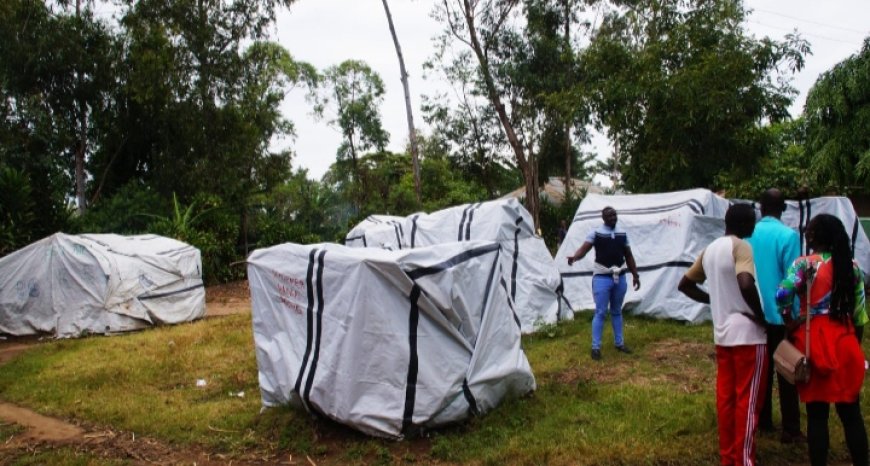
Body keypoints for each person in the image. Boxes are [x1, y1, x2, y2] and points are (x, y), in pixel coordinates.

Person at [678, 203, 767, 466]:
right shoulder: (741, 247)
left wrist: (715, 299)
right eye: (752, 221)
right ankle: (744, 461)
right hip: (749, 336)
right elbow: (745, 282)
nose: (754, 226)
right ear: (742, 223)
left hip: (723, 336)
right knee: (748, 402)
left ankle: (729, 458)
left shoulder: (710, 250)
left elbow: (685, 285)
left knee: (726, 400)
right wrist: (761, 317)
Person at [775, 214, 868, 466]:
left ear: (814, 236)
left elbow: (783, 292)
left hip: (814, 341)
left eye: (809, 229)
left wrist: (789, 319)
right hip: (846, 341)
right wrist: (853, 346)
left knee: (817, 415)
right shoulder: (853, 267)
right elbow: (860, 315)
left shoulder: (804, 265)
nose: (806, 233)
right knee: (851, 413)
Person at [747, 188, 804, 443]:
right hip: (780, 317)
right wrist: (793, 316)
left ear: (760, 207)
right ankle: (791, 429)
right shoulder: (789, 236)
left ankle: (763, 421)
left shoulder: (749, 234)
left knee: (761, 371)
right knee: (787, 371)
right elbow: (792, 280)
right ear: (783, 208)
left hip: (753, 315)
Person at [566, 207, 640, 361]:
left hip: (619, 277)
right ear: (603, 218)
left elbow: (629, 255)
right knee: (600, 312)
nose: (613, 217)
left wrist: (635, 275)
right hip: (601, 278)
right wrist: (574, 257)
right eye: (610, 215)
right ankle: (595, 348)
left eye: (615, 214)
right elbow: (584, 249)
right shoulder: (596, 233)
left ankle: (619, 343)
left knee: (617, 311)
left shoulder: (622, 234)